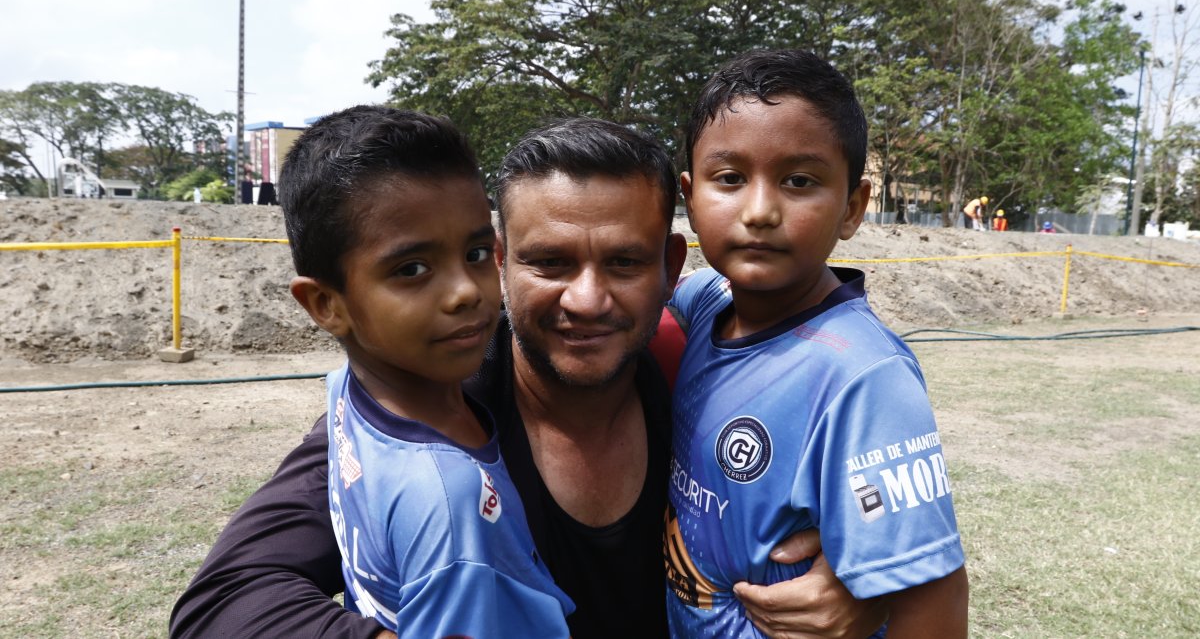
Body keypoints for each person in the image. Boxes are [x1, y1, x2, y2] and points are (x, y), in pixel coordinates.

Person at [170, 117, 879, 639]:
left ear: (670, 267)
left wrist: (861, 580)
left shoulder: (700, 371)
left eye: (624, 263)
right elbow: (223, 602)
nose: (588, 300)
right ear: (502, 261)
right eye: (551, 263)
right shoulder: (430, 407)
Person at [666, 49, 968, 637]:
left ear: (852, 207)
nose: (759, 211)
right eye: (729, 179)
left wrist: (875, 591)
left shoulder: (864, 377)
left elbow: (935, 596)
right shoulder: (705, 304)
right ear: (691, 198)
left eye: (799, 181)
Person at [279, 105, 573, 635]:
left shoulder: (349, 393)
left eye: (477, 253)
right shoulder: (453, 502)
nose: (465, 291)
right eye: (412, 269)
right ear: (325, 304)